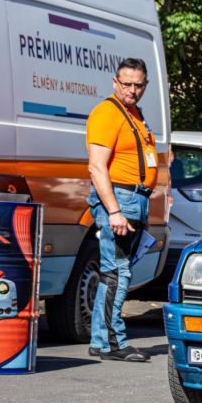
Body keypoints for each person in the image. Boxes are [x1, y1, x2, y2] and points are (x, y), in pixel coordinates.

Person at [85, 58, 157, 362]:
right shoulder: (107, 113)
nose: (131, 90)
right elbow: (97, 167)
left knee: (113, 272)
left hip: (134, 200)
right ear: (115, 82)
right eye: (126, 84)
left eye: (137, 85)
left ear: (145, 85)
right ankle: (115, 342)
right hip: (121, 201)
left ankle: (101, 340)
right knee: (117, 272)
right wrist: (114, 211)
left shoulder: (134, 114)